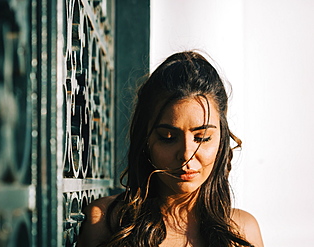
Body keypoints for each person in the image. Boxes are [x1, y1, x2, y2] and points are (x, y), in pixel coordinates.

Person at [77, 51, 264, 247]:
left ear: (222, 139)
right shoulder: (106, 222)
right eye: (168, 138)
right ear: (146, 138)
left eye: (202, 138)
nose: (186, 155)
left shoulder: (242, 231)